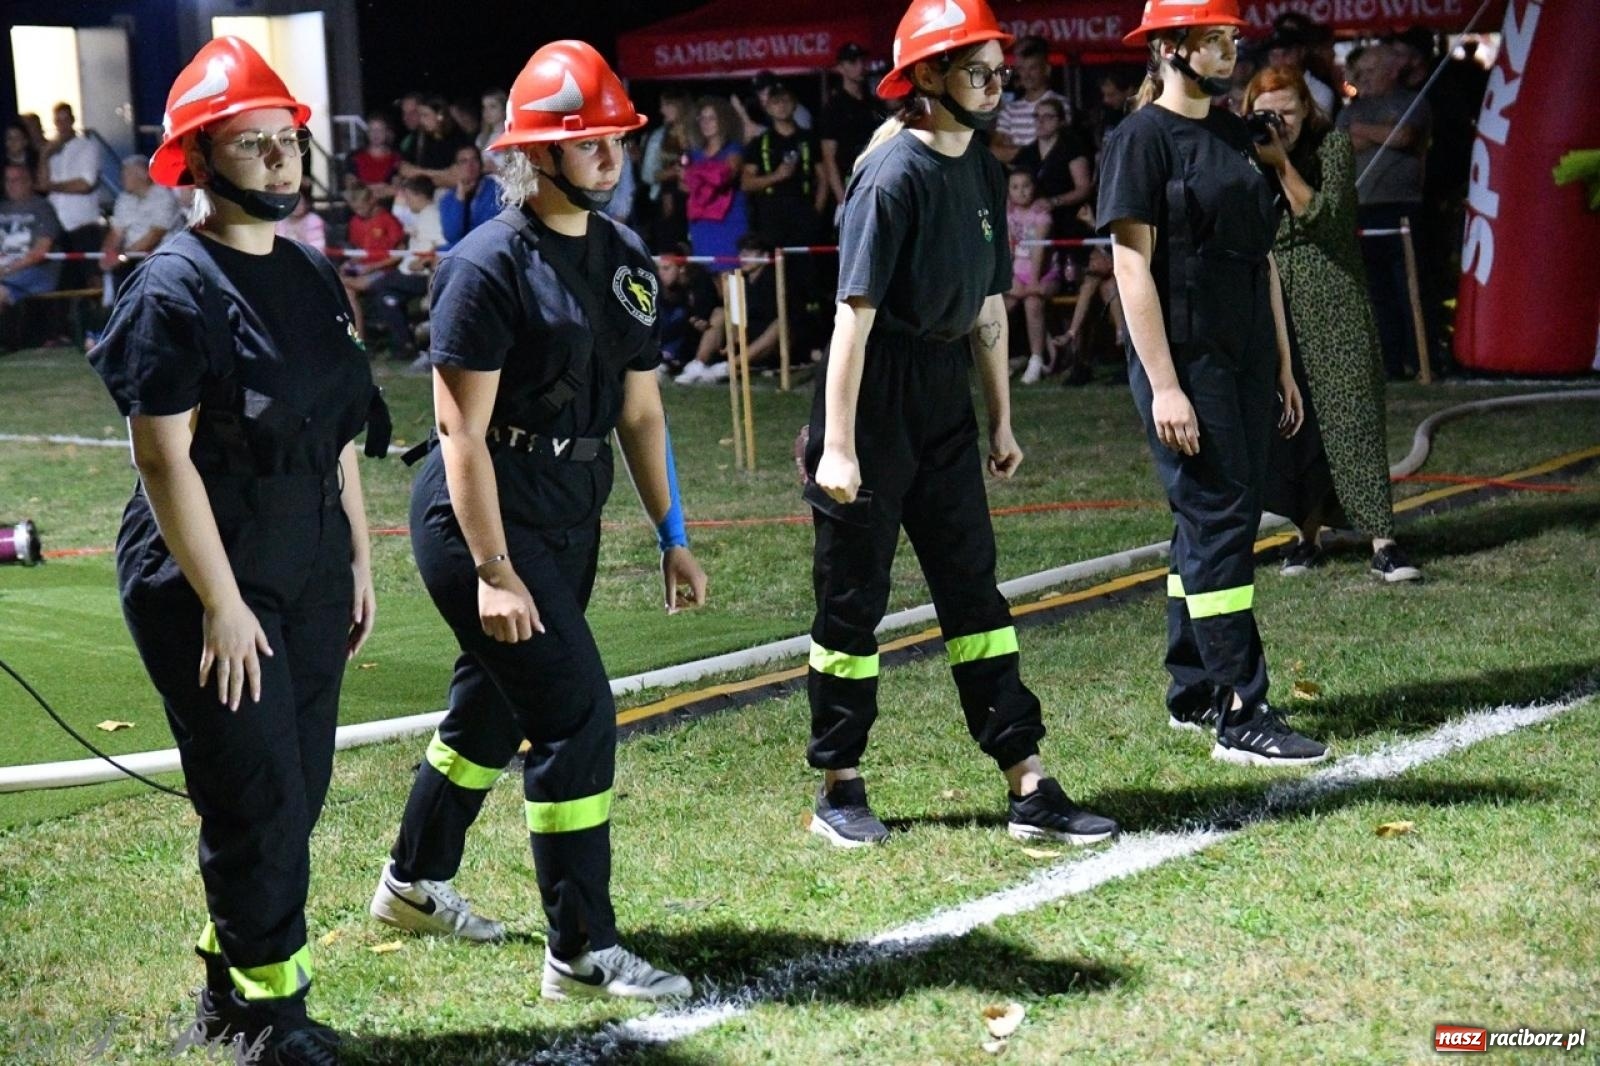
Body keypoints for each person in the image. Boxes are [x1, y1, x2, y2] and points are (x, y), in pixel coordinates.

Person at [367, 40, 707, 1003]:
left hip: (571, 511)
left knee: (498, 703)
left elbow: (642, 414)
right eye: (590, 140)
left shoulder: (625, 256)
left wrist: (671, 535)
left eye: (617, 138)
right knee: (574, 712)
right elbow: (457, 433)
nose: (611, 155)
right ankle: (583, 952)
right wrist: (491, 568)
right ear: (540, 154)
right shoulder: (485, 264)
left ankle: (411, 882)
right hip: (478, 519)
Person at [85, 37, 386, 1065]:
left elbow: (339, 431)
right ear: (198, 162)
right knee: (254, 794)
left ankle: (233, 984)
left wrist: (358, 558)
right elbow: (166, 462)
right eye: (251, 146)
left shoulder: (306, 273)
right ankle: (270, 1024)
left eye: (285, 141)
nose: (277, 160)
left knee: (295, 790)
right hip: (208, 572)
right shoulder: (171, 288)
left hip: (303, 561)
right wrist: (221, 602)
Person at [800, 0, 1119, 849]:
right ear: (928, 79)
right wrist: (837, 444)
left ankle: (1028, 781)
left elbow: (988, 305)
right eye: (978, 71)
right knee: (851, 604)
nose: (995, 84)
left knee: (975, 593)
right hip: (873, 398)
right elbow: (852, 321)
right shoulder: (890, 175)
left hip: (942, 395)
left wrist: (1000, 418)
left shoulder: (980, 166)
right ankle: (840, 785)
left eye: (998, 71)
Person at [1098, 0, 1326, 766]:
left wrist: (1285, 366)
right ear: (1169, 47)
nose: (1230, 49)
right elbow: (1131, 267)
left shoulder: (1236, 134)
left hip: (1249, 351)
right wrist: (1164, 384)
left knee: (1208, 515)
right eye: (1214, 37)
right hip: (1186, 355)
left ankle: (1193, 688)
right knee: (1223, 515)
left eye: (1232, 37)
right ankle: (1242, 708)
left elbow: (1262, 255)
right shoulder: (1138, 140)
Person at [1245, 67, 1422, 583]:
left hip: (1334, 301)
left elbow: (1325, 218)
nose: (1277, 123)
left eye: (1287, 112)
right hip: (1276, 305)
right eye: (1264, 114)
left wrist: (1281, 166)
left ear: (1307, 109)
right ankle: (1306, 536)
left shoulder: (1333, 150)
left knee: (1353, 419)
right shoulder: (1244, 156)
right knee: (1295, 427)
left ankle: (1383, 542)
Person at [817, 43, 887, 224]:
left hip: (876, 181)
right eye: (852, 61)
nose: (859, 66)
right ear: (840, 67)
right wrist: (842, 201)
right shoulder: (834, 107)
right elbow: (829, 157)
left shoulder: (874, 104)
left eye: (861, 61)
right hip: (850, 183)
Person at [1005, 169, 1061, 385]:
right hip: (1017, 274)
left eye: (1026, 185)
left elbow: (1038, 250)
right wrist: (1008, 278)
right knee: (999, 307)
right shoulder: (1008, 213)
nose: (1021, 191)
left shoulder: (1041, 214)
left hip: (1044, 273)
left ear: (1034, 187)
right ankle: (1005, 359)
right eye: (1015, 187)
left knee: (1033, 302)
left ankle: (1036, 360)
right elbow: (1008, 248)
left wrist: (1034, 282)